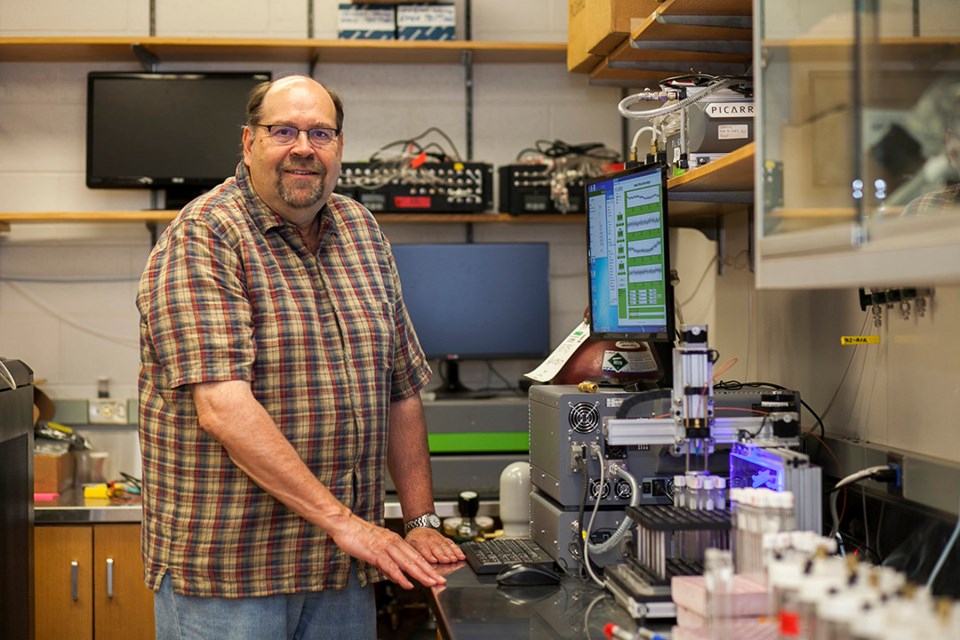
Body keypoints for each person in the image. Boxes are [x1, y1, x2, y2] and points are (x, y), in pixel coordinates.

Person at [136, 74, 464, 640]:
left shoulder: (361, 230)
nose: (304, 148)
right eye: (283, 130)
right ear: (248, 142)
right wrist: (349, 525)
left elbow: (401, 387)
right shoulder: (203, 237)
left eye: (321, 133)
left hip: (339, 571)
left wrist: (420, 520)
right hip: (231, 574)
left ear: (338, 147)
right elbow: (223, 408)